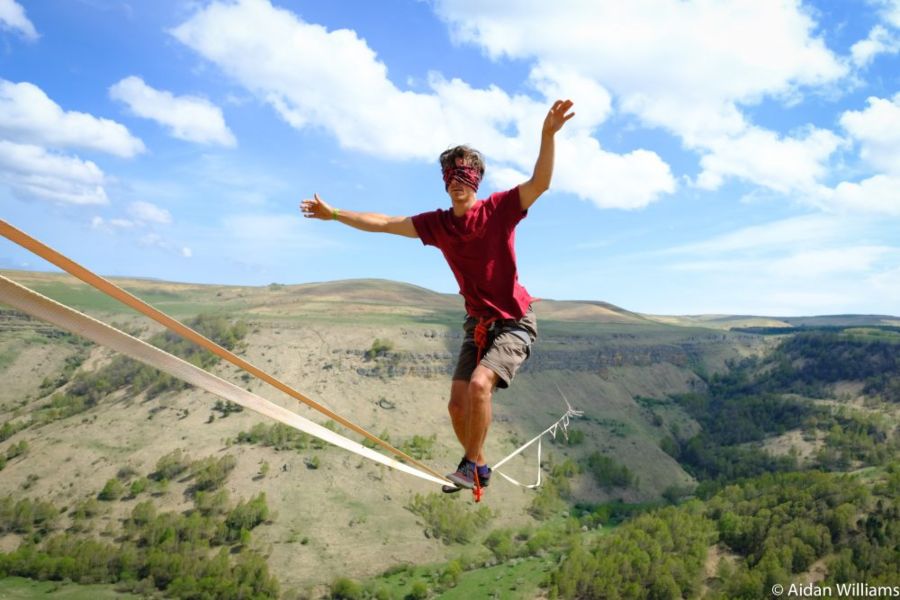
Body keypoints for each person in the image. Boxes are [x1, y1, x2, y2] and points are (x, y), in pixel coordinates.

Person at [300, 99, 575, 492]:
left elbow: (540, 184)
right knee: (456, 405)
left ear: (476, 180)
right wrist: (336, 214)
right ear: (445, 181)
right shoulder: (439, 225)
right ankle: (478, 466)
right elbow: (386, 223)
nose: (457, 183)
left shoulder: (498, 210)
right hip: (477, 324)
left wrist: (547, 136)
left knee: (480, 386)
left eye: (465, 177)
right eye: (452, 177)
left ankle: (467, 464)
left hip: (514, 320)